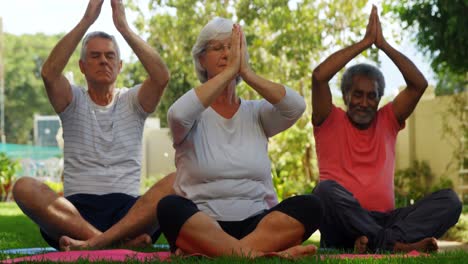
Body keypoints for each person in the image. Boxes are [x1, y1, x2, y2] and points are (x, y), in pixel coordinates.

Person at [12, 0, 174, 250]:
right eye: (95, 56)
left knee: (178, 180)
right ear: (82, 67)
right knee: (23, 187)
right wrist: (87, 20)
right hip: (76, 215)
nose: (103, 61)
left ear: (120, 66)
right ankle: (112, 243)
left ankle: (94, 244)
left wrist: (124, 28)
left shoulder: (133, 100)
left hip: (129, 214)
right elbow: (49, 73)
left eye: (110, 56)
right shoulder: (72, 99)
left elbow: (161, 76)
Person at [156, 17, 323, 258]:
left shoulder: (257, 113)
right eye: (218, 48)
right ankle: (258, 253)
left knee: (311, 205)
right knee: (169, 207)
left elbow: (295, 106)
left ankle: (219, 252)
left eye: (233, 47)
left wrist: (246, 72)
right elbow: (177, 115)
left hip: (257, 224)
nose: (227, 54)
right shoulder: (193, 114)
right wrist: (227, 75)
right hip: (203, 223)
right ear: (201, 59)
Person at [311, 6, 462, 253]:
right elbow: (319, 77)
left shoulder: (387, 119)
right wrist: (364, 43)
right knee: (324, 192)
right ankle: (396, 245)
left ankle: (376, 242)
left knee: (450, 201)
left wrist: (383, 45)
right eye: (357, 94)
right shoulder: (329, 118)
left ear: (380, 99)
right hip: (343, 221)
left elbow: (418, 84)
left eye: (372, 96)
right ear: (346, 95)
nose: (363, 102)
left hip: (388, 219)